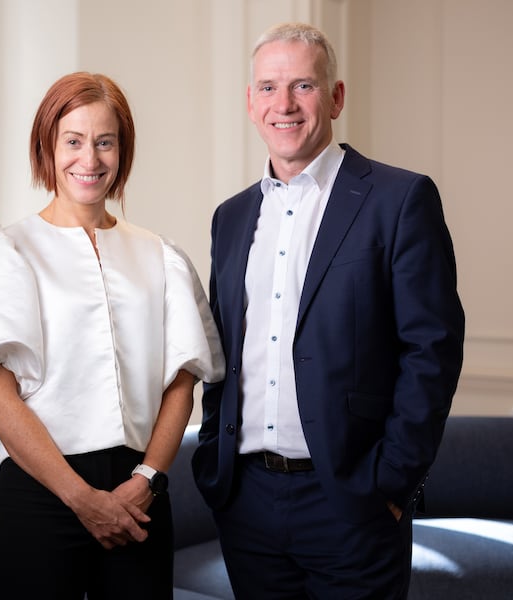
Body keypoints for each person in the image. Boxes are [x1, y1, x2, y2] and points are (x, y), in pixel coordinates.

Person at [192, 22, 465, 599]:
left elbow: (432, 349)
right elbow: (224, 351)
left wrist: (391, 484)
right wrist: (216, 465)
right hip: (246, 503)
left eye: (303, 86)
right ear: (249, 102)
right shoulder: (231, 217)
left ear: (336, 96)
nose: (283, 105)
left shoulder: (399, 199)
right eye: (267, 88)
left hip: (352, 503)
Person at [0, 72, 224, 599]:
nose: (89, 160)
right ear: (47, 147)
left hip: (139, 491)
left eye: (104, 142)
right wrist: (80, 498)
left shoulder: (160, 255)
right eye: (73, 141)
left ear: (123, 150)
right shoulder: (7, 250)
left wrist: (147, 481)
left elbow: (181, 384)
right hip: (42, 491)